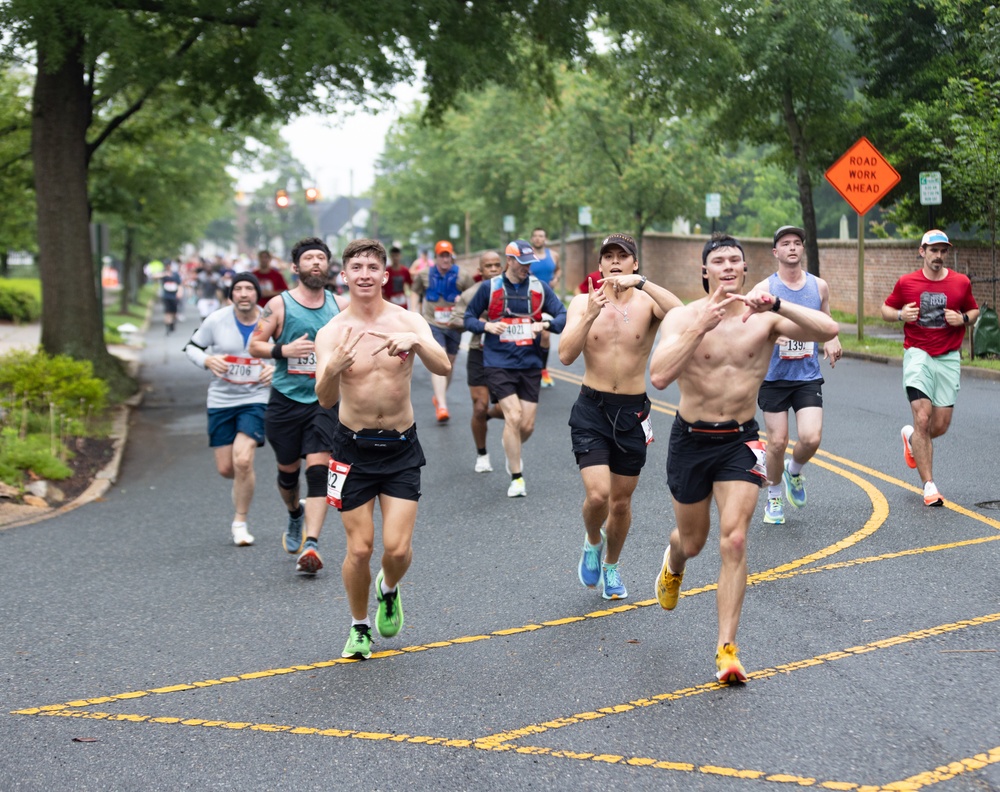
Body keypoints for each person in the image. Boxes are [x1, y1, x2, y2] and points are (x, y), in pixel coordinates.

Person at [649, 232, 838, 683]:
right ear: (705, 271)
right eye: (719, 261)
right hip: (691, 440)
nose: (729, 266)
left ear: (745, 269)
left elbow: (827, 330)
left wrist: (776, 307)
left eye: (736, 260)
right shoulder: (682, 317)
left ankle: (727, 650)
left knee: (734, 540)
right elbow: (657, 376)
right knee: (693, 542)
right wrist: (701, 326)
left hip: (741, 441)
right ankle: (673, 560)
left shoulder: (764, 319)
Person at [314, 238, 451, 660]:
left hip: (400, 446)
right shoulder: (331, 333)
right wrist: (333, 370)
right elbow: (323, 398)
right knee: (359, 548)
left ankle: (388, 588)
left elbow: (443, 365)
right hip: (351, 448)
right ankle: (358, 627)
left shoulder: (408, 321)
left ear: (385, 275)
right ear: (345, 276)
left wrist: (417, 343)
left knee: (396, 549)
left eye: (373, 267)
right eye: (356, 267)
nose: (365, 274)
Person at [559, 234, 681, 599]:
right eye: (608, 256)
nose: (615, 262)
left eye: (622, 257)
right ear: (599, 266)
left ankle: (611, 565)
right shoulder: (582, 302)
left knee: (621, 502)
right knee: (598, 496)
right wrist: (590, 316)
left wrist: (642, 284)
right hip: (591, 408)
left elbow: (681, 313)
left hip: (631, 412)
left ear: (634, 263)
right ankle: (592, 540)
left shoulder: (648, 303)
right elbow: (565, 355)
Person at [248, 236, 348, 575]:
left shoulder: (340, 305)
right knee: (288, 473)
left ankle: (312, 544)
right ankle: (295, 515)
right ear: (296, 267)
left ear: (328, 265)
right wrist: (283, 351)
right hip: (286, 400)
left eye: (321, 258)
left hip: (325, 400)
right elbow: (254, 345)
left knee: (319, 469)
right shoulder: (278, 306)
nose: (316, 263)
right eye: (309, 259)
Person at [880, 230, 979, 507]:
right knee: (922, 418)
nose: (938, 255)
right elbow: (886, 309)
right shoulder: (907, 282)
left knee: (940, 425)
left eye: (942, 251)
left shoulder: (960, 283)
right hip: (918, 354)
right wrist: (901, 314)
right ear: (922, 251)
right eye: (933, 250)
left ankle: (912, 438)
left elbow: (974, 311)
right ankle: (929, 486)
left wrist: (962, 319)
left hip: (948, 357)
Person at [752, 226, 842, 525]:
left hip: (806, 374)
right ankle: (774, 496)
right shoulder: (764, 288)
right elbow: (747, 324)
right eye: (785, 244)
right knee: (777, 442)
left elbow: (825, 319)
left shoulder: (819, 287)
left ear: (802, 249)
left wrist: (831, 339)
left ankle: (794, 470)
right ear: (775, 252)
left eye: (797, 243)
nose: (792, 247)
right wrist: (766, 336)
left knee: (811, 437)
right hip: (773, 376)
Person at [463, 239, 567, 497]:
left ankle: (512, 449)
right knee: (514, 416)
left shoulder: (539, 288)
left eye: (529, 263)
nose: (526, 268)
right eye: (521, 263)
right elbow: (467, 318)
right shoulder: (490, 288)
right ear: (509, 261)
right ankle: (517, 478)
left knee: (527, 425)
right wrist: (487, 326)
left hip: (530, 363)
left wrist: (544, 325)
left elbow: (563, 316)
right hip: (498, 362)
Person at [184, 273, 272, 547]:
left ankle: (240, 523)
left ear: (257, 294)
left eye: (249, 289)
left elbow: (289, 352)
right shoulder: (216, 320)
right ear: (231, 294)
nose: (244, 294)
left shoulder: (270, 319)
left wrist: (276, 369)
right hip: (221, 399)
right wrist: (209, 360)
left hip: (257, 397)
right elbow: (191, 347)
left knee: (243, 460)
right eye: (238, 289)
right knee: (227, 468)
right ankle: (243, 482)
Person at [409, 240, 476, 423]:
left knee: (449, 364)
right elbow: (415, 291)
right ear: (436, 257)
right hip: (433, 324)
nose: (445, 259)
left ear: (451, 256)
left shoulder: (462, 275)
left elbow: (473, 294)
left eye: (448, 255)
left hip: (454, 324)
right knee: (441, 357)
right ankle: (443, 406)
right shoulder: (424, 274)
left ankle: (439, 397)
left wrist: (463, 299)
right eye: (442, 255)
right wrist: (415, 311)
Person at [452, 250, 506, 472]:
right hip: (479, 352)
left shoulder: (510, 291)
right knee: (479, 406)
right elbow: (455, 321)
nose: (493, 269)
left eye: (496, 265)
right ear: (480, 270)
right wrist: (478, 321)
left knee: (506, 409)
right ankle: (482, 454)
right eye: (488, 266)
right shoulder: (471, 293)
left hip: (506, 354)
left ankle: (488, 416)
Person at [529, 227, 562, 388]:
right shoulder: (527, 256)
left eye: (541, 236)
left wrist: (556, 278)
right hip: (529, 301)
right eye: (535, 236)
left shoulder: (553, 255)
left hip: (547, 301)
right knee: (529, 335)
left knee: (545, 335)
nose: (538, 238)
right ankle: (528, 368)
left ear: (545, 238)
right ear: (532, 239)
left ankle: (543, 370)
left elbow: (558, 270)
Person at [383, 245, 412, 309]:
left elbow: (411, 286)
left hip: (402, 303)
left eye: (397, 256)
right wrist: (386, 300)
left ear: (400, 256)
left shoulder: (405, 271)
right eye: (393, 256)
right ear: (390, 257)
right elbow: (381, 289)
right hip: (389, 303)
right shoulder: (386, 272)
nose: (395, 258)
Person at [160, 262, 184, 335]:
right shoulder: (163, 274)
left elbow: (179, 284)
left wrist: (180, 292)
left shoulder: (175, 275)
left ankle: (172, 323)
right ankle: (167, 327)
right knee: (167, 312)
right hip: (166, 296)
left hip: (174, 296)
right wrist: (165, 274)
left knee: (173, 312)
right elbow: (154, 276)